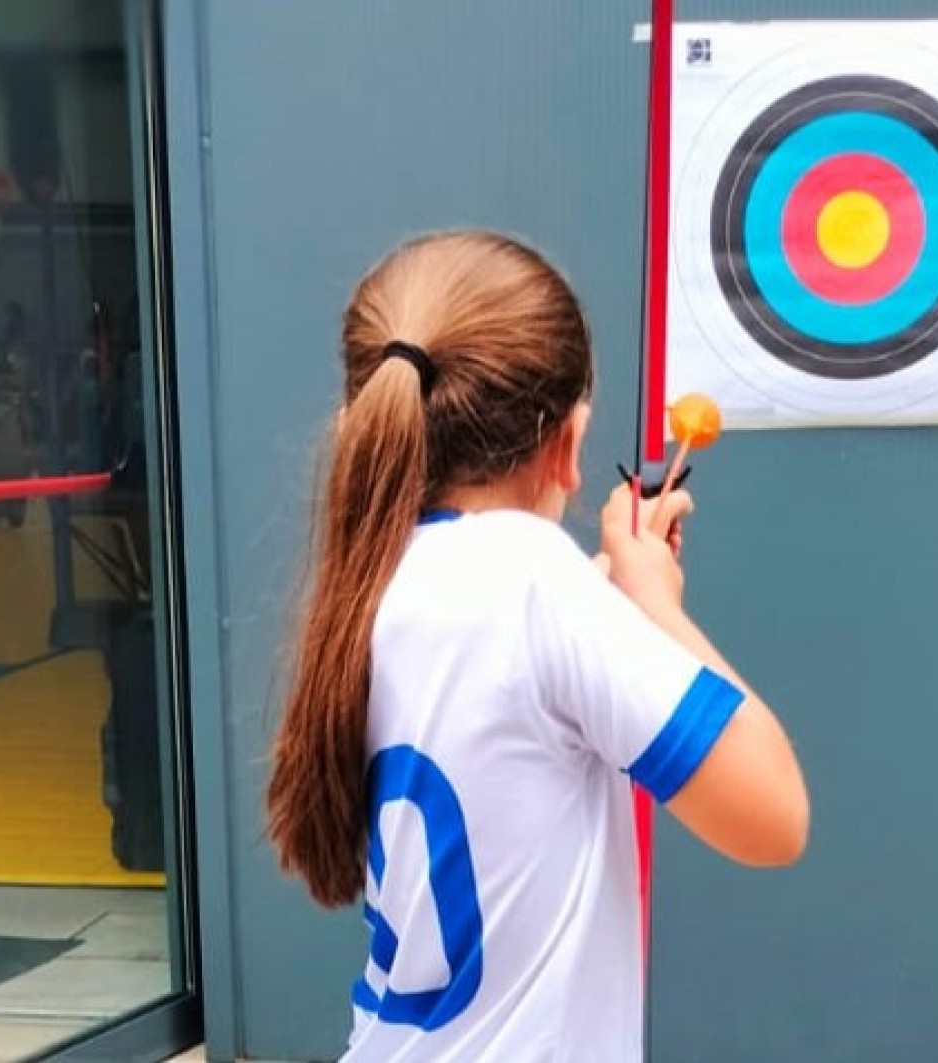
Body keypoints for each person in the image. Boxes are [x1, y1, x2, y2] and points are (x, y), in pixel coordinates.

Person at [266, 230, 808, 1062]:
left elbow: (512, 688)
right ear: (569, 442)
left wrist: (616, 587)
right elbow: (773, 815)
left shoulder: (382, 574)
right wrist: (657, 604)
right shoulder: (531, 583)